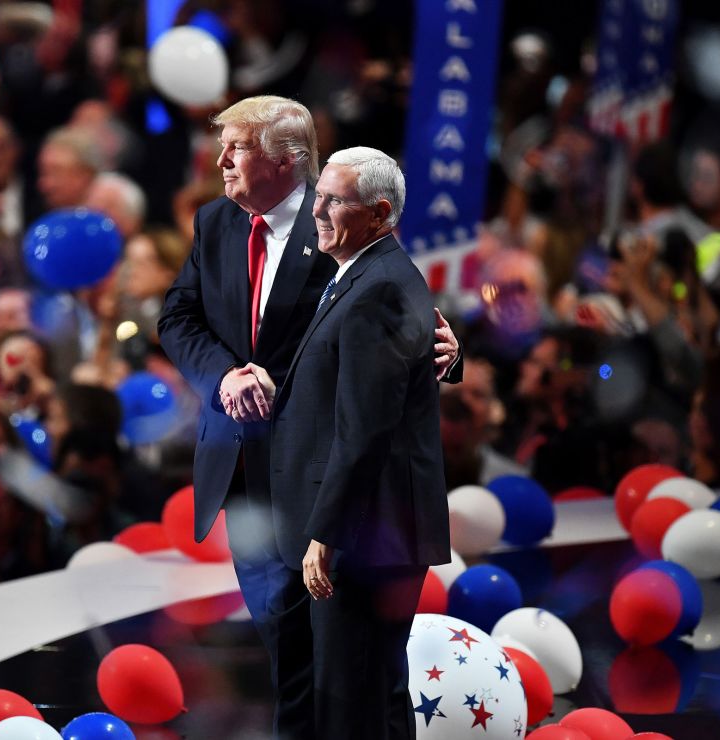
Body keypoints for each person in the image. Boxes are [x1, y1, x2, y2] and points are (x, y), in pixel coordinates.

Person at [157, 96, 460, 739]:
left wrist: (448, 353)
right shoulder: (215, 223)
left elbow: (389, 326)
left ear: (286, 160)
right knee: (289, 654)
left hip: (330, 479)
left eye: (236, 147)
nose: (221, 161)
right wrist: (224, 376)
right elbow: (177, 318)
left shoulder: (342, 225)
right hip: (244, 465)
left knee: (348, 674)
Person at [268, 148, 450, 739]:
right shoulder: (369, 274)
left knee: (355, 706)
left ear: (378, 213)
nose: (316, 210)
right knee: (369, 700)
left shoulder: (380, 288)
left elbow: (365, 427)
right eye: (318, 195)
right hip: (366, 530)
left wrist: (328, 531)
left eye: (334, 200)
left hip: (365, 536)